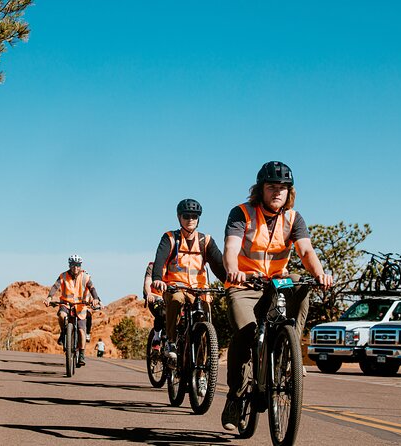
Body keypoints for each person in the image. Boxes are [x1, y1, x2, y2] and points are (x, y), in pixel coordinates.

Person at [220, 161, 333, 431]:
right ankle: (236, 397)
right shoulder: (242, 213)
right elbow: (230, 247)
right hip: (244, 285)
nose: (278, 192)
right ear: (261, 189)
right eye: (272, 187)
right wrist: (233, 271)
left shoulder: (293, 218)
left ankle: (288, 345)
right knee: (246, 333)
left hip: (276, 284)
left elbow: (306, 251)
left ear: (289, 191)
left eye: (283, 188)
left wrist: (320, 273)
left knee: (300, 283)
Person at [152, 198, 227, 364]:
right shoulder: (170, 238)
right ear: (180, 217)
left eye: (194, 216)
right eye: (187, 216)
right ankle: (171, 342)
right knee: (176, 300)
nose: (190, 219)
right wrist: (157, 279)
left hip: (199, 290)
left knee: (205, 322)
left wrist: (230, 282)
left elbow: (219, 265)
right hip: (175, 288)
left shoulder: (205, 241)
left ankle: (201, 371)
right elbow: (159, 260)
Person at [45, 254, 101, 367]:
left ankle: (81, 354)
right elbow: (55, 286)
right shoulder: (63, 276)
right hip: (66, 303)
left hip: (80, 307)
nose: (75, 268)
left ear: (80, 266)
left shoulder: (85, 276)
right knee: (61, 315)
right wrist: (49, 297)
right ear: (69, 265)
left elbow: (92, 288)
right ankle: (63, 333)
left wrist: (95, 298)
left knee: (81, 331)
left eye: (78, 265)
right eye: (73, 265)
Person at [143, 261, 165, 352]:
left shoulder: (175, 267)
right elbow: (148, 282)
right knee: (161, 312)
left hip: (170, 299)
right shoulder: (152, 267)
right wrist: (149, 294)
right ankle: (156, 338)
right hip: (156, 297)